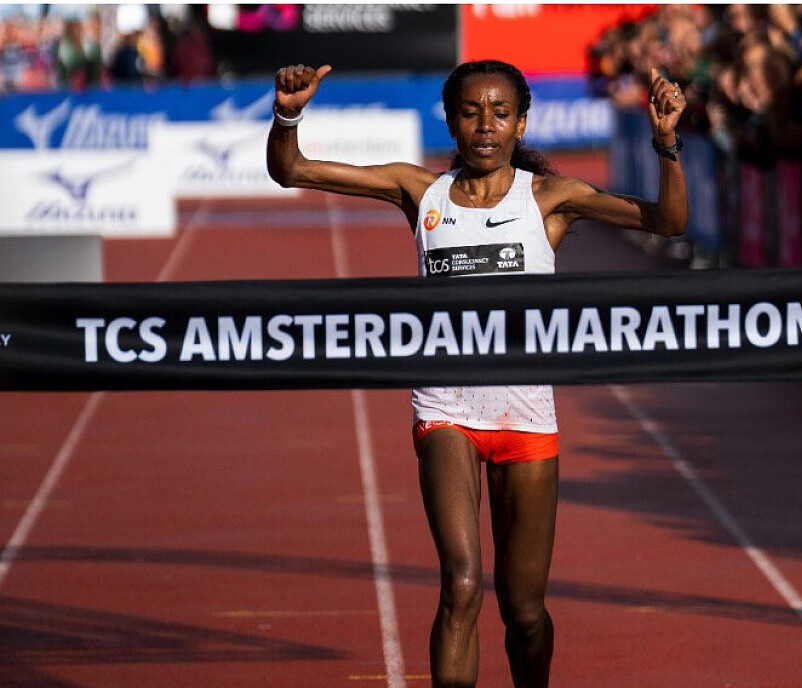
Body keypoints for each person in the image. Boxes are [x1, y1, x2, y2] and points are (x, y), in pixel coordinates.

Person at [267, 59, 689, 688]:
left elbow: (670, 221)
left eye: (499, 113)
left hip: (527, 419)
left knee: (524, 612)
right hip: (446, 411)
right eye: (470, 112)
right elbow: (292, 170)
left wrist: (666, 143)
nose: (485, 125)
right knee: (462, 583)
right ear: (451, 122)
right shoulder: (420, 191)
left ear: (521, 124)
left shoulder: (550, 199)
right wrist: (287, 115)